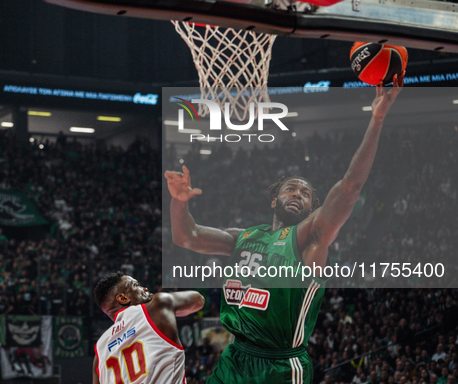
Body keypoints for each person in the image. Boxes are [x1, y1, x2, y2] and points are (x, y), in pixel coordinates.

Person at [164, 74, 404, 384]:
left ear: (311, 208)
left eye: (305, 194)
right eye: (291, 189)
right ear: (275, 198)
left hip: (280, 366)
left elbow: (350, 187)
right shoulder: (245, 237)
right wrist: (179, 202)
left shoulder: (310, 239)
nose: (298, 195)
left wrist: (377, 120)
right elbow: (187, 236)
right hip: (235, 359)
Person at [92, 271, 205, 384]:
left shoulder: (99, 353)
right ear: (123, 298)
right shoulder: (156, 307)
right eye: (136, 286)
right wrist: (165, 305)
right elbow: (198, 300)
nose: (145, 289)